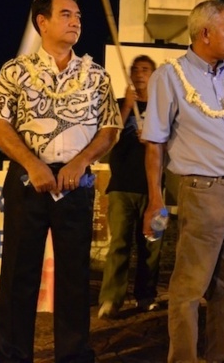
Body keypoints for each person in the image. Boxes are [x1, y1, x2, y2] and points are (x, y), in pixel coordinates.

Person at [0, 0, 121, 363]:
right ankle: (13, 356)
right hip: (28, 180)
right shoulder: (15, 70)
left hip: (76, 183)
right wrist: (32, 163)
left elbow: (110, 128)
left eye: (78, 15)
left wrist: (80, 163)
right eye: (66, 14)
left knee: (75, 276)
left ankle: (74, 355)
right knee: (18, 274)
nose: (76, 21)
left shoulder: (96, 74)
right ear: (41, 21)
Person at [141, 0, 224, 363]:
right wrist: (154, 199)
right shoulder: (170, 76)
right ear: (205, 33)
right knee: (190, 286)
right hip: (203, 190)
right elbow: (154, 143)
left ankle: (223, 356)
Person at [98, 55, 163, 319]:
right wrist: (126, 106)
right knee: (119, 243)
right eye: (134, 70)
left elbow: (172, 142)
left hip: (155, 189)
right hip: (122, 186)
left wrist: (151, 137)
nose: (139, 74)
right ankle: (111, 299)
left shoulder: (162, 106)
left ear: (154, 75)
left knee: (152, 244)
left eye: (145, 70)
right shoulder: (117, 104)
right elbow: (108, 138)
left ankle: (146, 296)